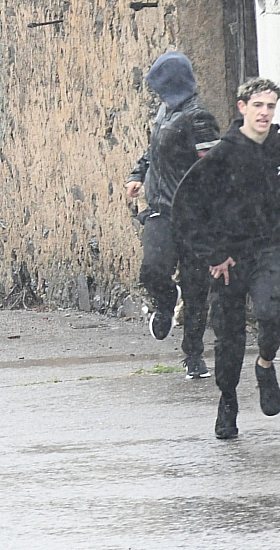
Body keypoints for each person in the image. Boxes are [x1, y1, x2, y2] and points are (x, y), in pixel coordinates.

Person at [172, 78, 280, 440]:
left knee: (271, 313)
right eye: (258, 105)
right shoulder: (223, 153)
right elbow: (187, 203)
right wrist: (214, 253)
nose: (264, 113)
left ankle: (265, 364)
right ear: (242, 108)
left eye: (270, 106)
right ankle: (228, 403)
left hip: (269, 248)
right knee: (229, 335)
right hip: (229, 258)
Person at [125, 51, 221, 378]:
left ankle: (193, 355)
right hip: (160, 210)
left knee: (196, 288)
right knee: (152, 270)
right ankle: (165, 303)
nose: (155, 93)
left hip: (194, 218)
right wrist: (137, 175)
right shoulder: (165, 112)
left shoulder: (199, 119)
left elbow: (212, 169)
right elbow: (152, 151)